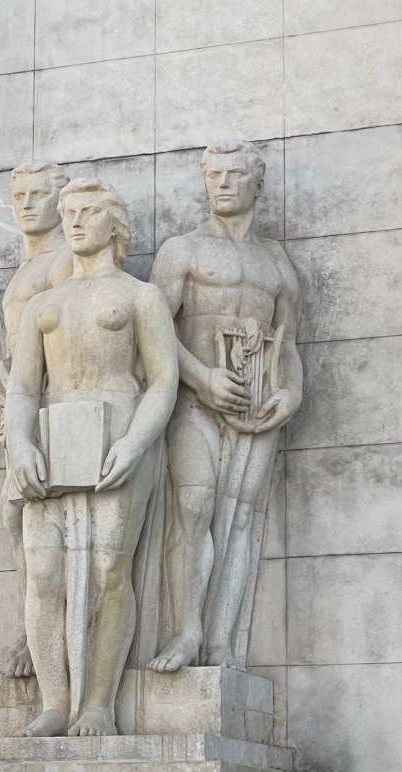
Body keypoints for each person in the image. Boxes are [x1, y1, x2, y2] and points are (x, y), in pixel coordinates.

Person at [4, 179, 178, 736]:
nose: (75, 221)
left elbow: (163, 380)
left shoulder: (140, 296)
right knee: (43, 574)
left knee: (110, 570)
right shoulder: (43, 304)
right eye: (69, 212)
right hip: (53, 436)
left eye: (89, 212)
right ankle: (54, 702)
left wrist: (136, 441)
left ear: (113, 223)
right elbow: (23, 388)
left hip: (118, 433)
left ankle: (99, 702)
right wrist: (19, 443)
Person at [148, 140, 303, 672]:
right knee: (193, 508)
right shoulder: (182, 250)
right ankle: (186, 631)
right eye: (214, 174)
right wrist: (202, 378)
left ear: (257, 184)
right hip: (196, 401)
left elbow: (289, 342)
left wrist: (291, 392)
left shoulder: (275, 260)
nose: (223, 182)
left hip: (257, 408)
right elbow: (154, 333)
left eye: (235, 174)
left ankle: (220, 644)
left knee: (238, 522)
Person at [0, 162, 73, 677]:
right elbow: (15, 354)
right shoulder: (25, 269)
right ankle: (37, 630)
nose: (27, 204)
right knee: (16, 521)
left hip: (51, 407)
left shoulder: (64, 264)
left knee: (41, 524)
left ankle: (50, 636)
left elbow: (66, 346)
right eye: (19, 196)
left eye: (39, 194)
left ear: (61, 200)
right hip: (19, 405)